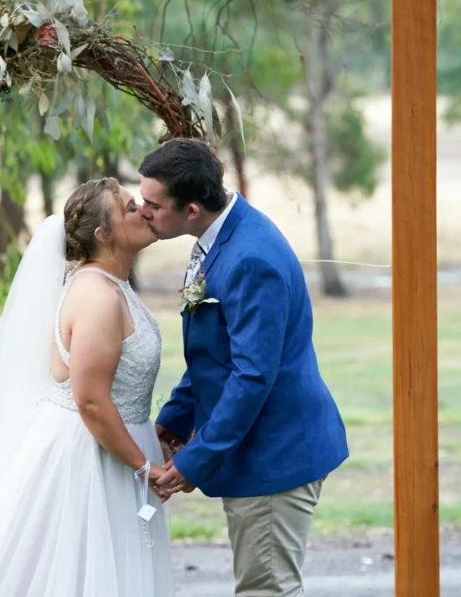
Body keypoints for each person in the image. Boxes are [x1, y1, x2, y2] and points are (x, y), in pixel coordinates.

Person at [0, 178, 174, 597]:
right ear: (104, 235)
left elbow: (62, 371)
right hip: (92, 460)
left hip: (113, 447)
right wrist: (145, 467)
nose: (142, 209)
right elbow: (88, 398)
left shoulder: (109, 285)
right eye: (128, 206)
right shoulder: (97, 296)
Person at [138, 138, 349, 597]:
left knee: (266, 589)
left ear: (191, 209)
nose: (142, 211)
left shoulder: (249, 257)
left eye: (153, 204)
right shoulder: (224, 232)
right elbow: (218, 353)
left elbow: (253, 375)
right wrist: (175, 419)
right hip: (261, 446)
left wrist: (196, 459)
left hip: (276, 453)